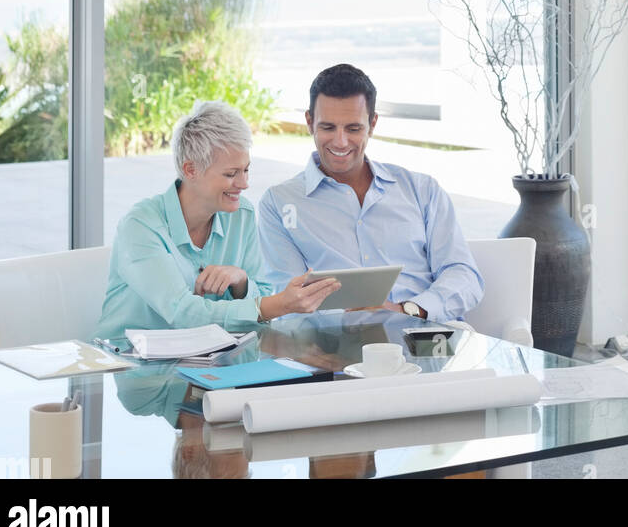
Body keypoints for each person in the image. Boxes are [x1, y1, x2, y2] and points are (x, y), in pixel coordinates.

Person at [257, 63, 483, 323]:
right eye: (328, 127)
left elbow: (464, 274)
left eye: (353, 129)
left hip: (428, 338)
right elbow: (289, 305)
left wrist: (408, 309)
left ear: (372, 124)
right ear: (309, 122)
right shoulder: (279, 203)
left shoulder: (422, 190)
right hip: (335, 351)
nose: (340, 142)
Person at [95, 100, 339, 339]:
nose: (244, 184)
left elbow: (263, 291)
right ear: (190, 170)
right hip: (134, 367)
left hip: (213, 362)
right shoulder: (140, 226)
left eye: (246, 170)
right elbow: (183, 313)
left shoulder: (241, 215)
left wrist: (241, 282)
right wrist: (276, 305)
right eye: (231, 174)